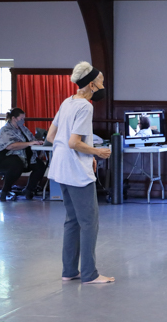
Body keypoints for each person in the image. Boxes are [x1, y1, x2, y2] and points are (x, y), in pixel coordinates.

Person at [46, 61, 114, 284]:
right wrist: (97, 152)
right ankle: (89, 274)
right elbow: (74, 142)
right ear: (92, 84)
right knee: (89, 222)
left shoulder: (67, 102)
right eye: (102, 81)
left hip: (60, 169)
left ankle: (69, 271)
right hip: (76, 172)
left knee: (72, 220)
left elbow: (50, 136)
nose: (104, 84)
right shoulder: (85, 106)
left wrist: (82, 153)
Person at [0, 108, 47, 201]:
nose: (23, 120)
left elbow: (31, 139)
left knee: (40, 166)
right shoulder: (5, 130)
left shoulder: (23, 129)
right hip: (8, 157)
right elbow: (11, 146)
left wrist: (38, 142)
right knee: (17, 165)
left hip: (26, 157)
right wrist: (29, 144)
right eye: (21, 118)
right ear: (14, 118)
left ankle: (29, 189)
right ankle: (5, 190)